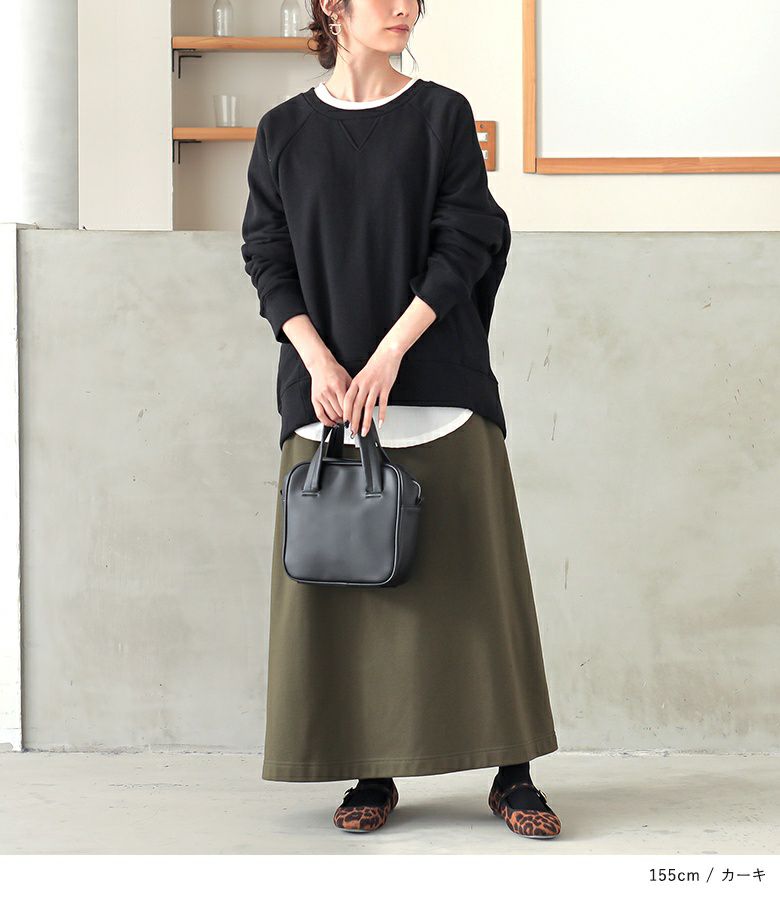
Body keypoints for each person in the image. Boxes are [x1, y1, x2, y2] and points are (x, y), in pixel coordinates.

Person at [240, 0, 561, 839]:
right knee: (353, 590)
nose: (405, 7)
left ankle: (514, 774)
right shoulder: (282, 131)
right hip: (327, 400)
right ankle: (370, 772)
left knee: (479, 590)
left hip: (438, 384)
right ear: (332, 7)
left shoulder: (441, 115)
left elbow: (467, 239)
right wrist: (319, 361)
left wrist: (389, 354)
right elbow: (266, 255)